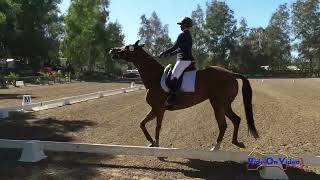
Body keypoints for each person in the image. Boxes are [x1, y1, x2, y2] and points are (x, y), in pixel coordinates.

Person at [159, 17, 195, 106]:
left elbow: (174, 47)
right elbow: (180, 49)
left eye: (181, 25)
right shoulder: (188, 35)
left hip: (183, 60)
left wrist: (164, 52)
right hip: (186, 60)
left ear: (185, 25)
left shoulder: (182, 35)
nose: (180, 26)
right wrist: (170, 54)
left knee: (172, 78)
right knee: (175, 76)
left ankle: (174, 98)